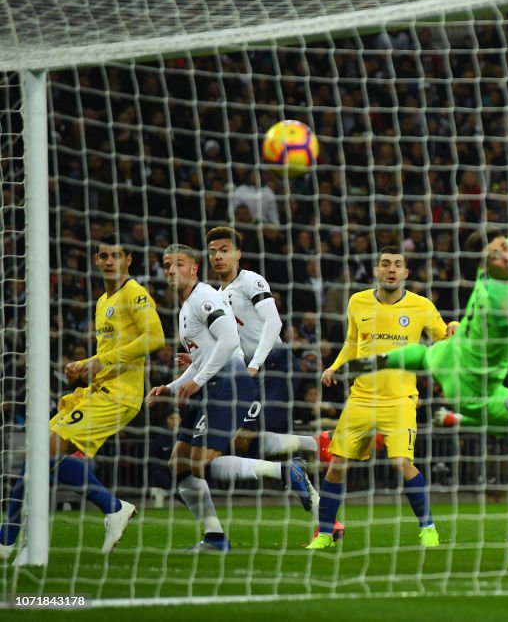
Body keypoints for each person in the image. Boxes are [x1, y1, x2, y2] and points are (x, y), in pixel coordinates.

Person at [340, 220, 508, 434]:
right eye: (497, 255)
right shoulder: (505, 302)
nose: (507, 257)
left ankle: (378, 360)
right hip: (473, 390)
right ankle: (458, 420)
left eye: (505, 248)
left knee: (425, 355)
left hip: (450, 355)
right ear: (485, 265)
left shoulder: (497, 261)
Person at [0, 235, 164, 561]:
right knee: (40, 454)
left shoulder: (135, 293)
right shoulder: (104, 300)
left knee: (45, 451)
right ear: (96, 260)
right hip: (97, 391)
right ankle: (9, 541)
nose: (108, 261)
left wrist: (102, 362)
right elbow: (107, 352)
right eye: (102, 256)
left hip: (121, 396)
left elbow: (156, 338)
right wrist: (84, 367)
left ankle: (10, 541)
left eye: (115, 255)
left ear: (128, 260)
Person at [146, 244, 315, 553]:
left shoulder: (204, 298)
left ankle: (284, 471)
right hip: (210, 385)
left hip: (228, 384)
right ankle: (214, 537)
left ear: (194, 268)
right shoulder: (186, 308)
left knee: (202, 464)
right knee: (180, 463)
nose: (171, 270)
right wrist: (170, 387)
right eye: (167, 265)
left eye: (179, 264)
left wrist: (196, 381)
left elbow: (228, 340)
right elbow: (203, 358)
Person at [308, 247, 458, 550]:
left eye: (397, 265)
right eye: (385, 263)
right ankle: (324, 534)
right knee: (336, 464)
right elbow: (352, 341)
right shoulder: (357, 301)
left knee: (403, 463)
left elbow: (446, 337)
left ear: (405, 273)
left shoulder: (422, 306)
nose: (391, 269)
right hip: (361, 397)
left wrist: (454, 329)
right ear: (377, 270)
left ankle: (428, 528)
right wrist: (334, 366)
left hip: (400, 399)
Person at [204, 226, 319, 458]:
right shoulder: (214, 297)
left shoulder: (251, 280)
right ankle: (306, 457)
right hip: (250, 376)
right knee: (244, 444)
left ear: (238, 254)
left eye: (224, 250)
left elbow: (274, 323)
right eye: (213, 251)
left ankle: (319, 445)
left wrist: (254, 365)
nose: (218, 256)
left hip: (277, 367)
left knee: (244, 438)